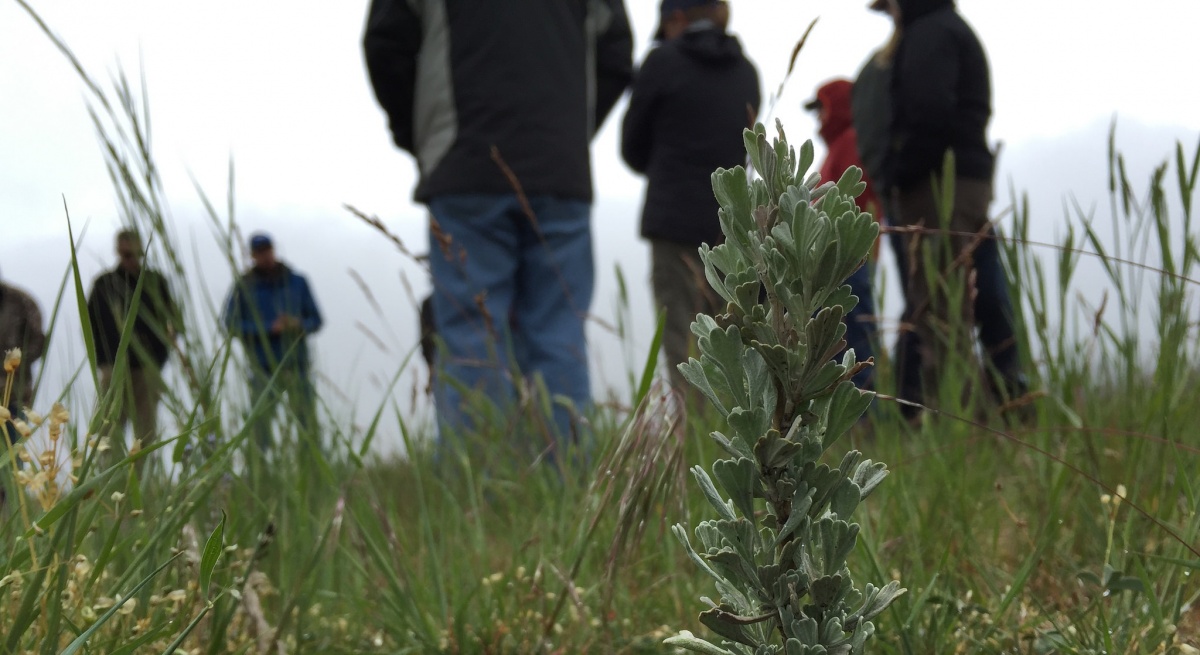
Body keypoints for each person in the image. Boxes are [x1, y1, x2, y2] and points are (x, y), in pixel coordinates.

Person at [363, 0, 633, 452]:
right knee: (559, 331)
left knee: (472, 332)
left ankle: (481, 497)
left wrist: (421, 135)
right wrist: (567, 131)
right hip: (559, 171)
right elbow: (616, 55)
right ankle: (569, 484)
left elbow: (386, 42)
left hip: (464, 164)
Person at [880, 0, 1024, 411]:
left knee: (942, 313)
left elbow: (929, 116)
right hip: (958, 180)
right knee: (955, 305)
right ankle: (988, 416)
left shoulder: (930, 33)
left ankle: (965, 427)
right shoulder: (943, 27)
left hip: (941, 185)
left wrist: (898, 173)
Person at [621, 0, 760, 391]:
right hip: (731, 224)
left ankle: (689, 437)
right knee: (730, 340)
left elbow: (631, 147)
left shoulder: (661, 62)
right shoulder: (746, 71)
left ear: (677, 19)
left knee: (680, 336)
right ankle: (735, 436)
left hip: (672, 220)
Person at [805, 78, 881, 391]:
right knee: (844, 342)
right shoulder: (841, 145)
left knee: (852, 344)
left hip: (846, 257)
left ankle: (863, 417)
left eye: (821, 108)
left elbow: (849, 200)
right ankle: (859, 415)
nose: (818, 118)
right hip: (837, 258)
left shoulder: (851, 140)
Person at [223, 233, 323, 451]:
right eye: (260, 252)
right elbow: (231, 324)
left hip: (297, 366)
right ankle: (259, 476)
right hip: (263, 369)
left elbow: (316, 320)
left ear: (273, 250)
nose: (265, 256)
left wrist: (298, 324)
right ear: (252, 255)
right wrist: (268, 329)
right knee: (260, 427)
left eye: (268, 250)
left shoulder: (298, 281)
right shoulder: (244, 287)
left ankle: (314, 474)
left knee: (308, 425)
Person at [86, 230, 177, 458]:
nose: (129, 258)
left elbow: (173, 322)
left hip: (148, 367)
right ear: (118, 250)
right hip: (113, 368)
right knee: (108, 428)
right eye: (125, 253)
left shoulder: (155, 282)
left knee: (146, 432)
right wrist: (103, 362)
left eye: (134, 253)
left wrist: (159, 359)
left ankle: (141, 482)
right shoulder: (104, 284)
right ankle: (109, 481)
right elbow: (90, 324)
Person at [0, 273, 46, 446]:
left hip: (15, 395)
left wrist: (15, 363)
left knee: (14, 456)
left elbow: (38, 341)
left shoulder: (21, 301)